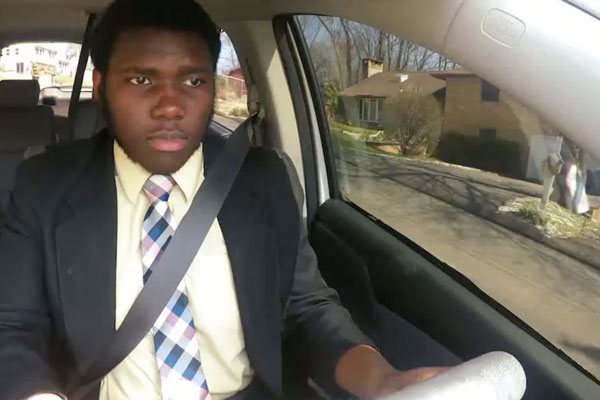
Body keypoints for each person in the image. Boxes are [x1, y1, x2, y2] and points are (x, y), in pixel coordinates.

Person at [0, 0, 446, 399]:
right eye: (141, 79)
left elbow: (307, 310)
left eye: (192, 80)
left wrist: (382, 380)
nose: (170, 106)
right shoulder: (44, 186)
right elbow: (13, 329)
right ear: (100, 86)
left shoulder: (263, 180)